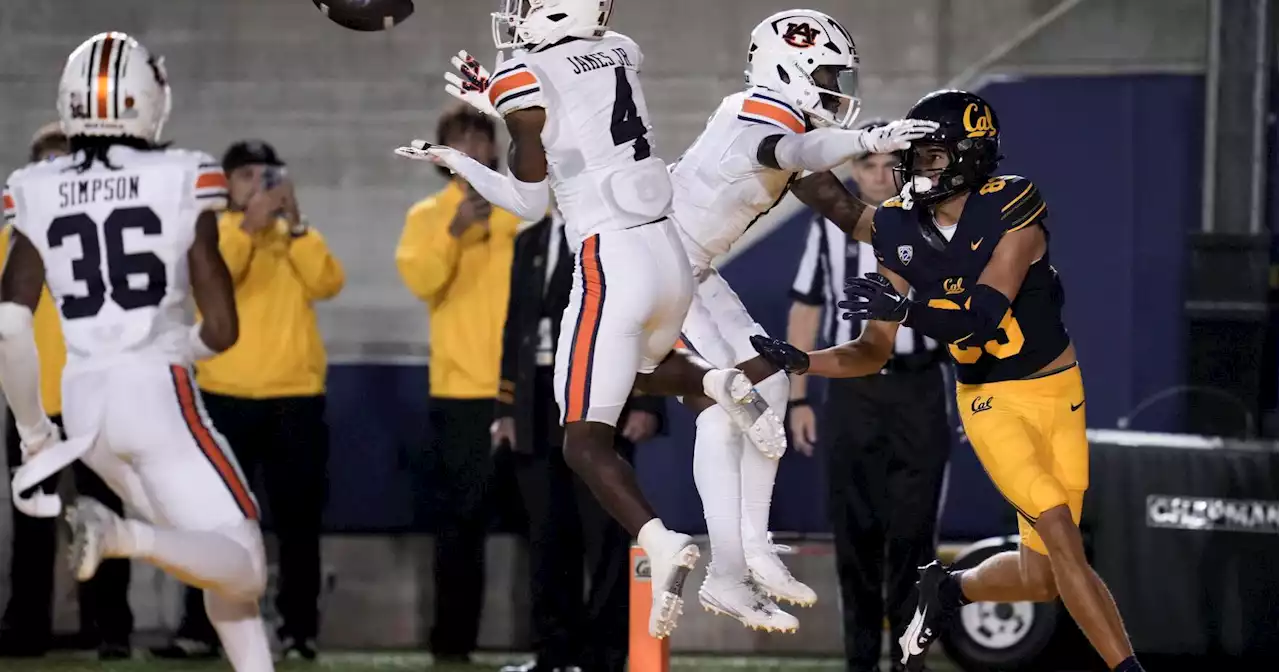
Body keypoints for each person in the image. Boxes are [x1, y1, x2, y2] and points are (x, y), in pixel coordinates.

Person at [397, 0, 787, 638]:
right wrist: (504, 101)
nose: (517, 11)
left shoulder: (527, 67)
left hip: (612, 256)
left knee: (581, 435)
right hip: (668, 249)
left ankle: (660, 542)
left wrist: (459, 161)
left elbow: (527, 198)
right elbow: (574, 120)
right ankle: (715, 381)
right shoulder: (621, 50)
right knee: (638, 367)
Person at [750, 89, 1146, 672]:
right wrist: (803, 361)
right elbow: (867, 347)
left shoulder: (1014, 204)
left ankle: (950, 588)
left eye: (931, 155)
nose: (913, 169)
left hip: (1060, 395)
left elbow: (982, 314)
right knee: (1063, 538)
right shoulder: (899, 229)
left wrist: (906, 310)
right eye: (915, 156)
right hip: (991, 402)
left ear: (970, 155)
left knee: (1042, 578)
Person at [0, 32, 273, 672]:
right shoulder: (182, 174)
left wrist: (35, 438)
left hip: (83, 405)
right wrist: (191, 347)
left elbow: (10, 326)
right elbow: (224, 325)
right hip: (155, 393)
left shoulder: (36, 186)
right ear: (148, 99)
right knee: (246, 565)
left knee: (211, 565)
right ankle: (120, 535)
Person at [666, 9, 937, 633]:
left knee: (774, 380)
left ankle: (753, 549)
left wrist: (927, 223)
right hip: (656, 267)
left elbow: (850, 214)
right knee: (724, 406)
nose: (838, 89)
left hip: (694, 270)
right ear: (790, 67)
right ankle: (726, 573)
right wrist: (868, 141)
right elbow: (793, 149)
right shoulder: (754, 112)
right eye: (829, 73)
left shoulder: (796, 131)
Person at [154, 139, 345, 662]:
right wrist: (249, 228)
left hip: (295, 396)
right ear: (227, 184)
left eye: (269, 174)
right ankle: (198, 629)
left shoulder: (295, 236)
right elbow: (213, 283)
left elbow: (329, 282)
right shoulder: (212, 233)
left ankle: (298, 631)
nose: (260, 185)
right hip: (225, 394)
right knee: (210, 516)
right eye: (247, 176)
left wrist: (297, 226)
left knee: (297, 522)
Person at [786, 119, 951, 672]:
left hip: (920, 388)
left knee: (914, 534)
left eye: (889, 164)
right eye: (869, 164)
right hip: (853, 390)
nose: (879, 175)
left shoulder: (938, 224)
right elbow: (806, 308)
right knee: (855, 534)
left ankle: (910, 662)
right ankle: (860, 661)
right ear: (854, 170)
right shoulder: (830, 229)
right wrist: (798, 399)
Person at [495, 208, 665, 672]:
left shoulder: (620, 234)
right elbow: (515, 327)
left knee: (605, 534)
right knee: (547, 532)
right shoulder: (528, 241)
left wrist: (648, 403)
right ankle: (553, 652)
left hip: (601, 396)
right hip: (536, 399)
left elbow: (655, 318)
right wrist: (506, 407)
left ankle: (605, 656)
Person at [0, 123, 133, 660]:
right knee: (31, 526)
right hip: (31, 399)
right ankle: (28, 629)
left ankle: (111, 630)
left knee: (104, 516)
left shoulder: (109, 229)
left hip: (95, 395)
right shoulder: (10, 234)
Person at [396, 104, 521, 663]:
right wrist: (454, 233)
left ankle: (553, 641)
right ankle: (452, 644)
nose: (470, 148)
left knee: (544, 520)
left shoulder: (522, 209)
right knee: (459, 525)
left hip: (525, 388)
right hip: (460, 392)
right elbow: (421, 281)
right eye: (457, 140)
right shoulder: (427, 216)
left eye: (479, 138)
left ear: (494, 149)